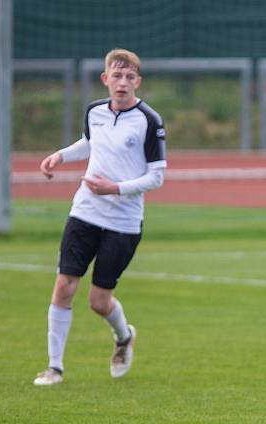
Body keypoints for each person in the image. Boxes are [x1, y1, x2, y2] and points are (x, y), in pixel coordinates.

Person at [33, 48, 166, 385]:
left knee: (98, 301)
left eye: (129, 77)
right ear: (105, 79)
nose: (122, 83)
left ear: (138, 81)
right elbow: (91, 143)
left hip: (123, 223)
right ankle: (54, 367)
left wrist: (116, 188)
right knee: (64, 286)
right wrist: (60, 156)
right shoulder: (94, 111)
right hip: (85, 212)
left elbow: (156, 177)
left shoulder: (149, 120)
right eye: (116, 76)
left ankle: (124, 337)